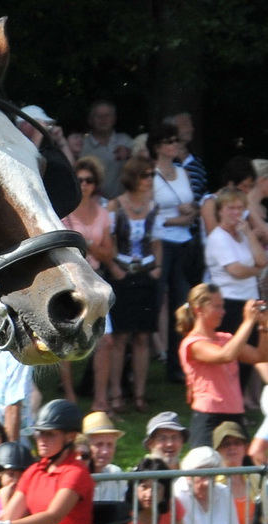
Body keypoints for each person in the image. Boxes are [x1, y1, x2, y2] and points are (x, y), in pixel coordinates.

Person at [203, 189, 268, 412]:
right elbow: (236, 271)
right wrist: (257, 270)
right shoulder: (217, 238)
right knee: (233, 360)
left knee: (249, 359)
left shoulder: (242, 235)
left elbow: (262, 259)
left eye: (240, 208)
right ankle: (229, 407)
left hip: (250, 301)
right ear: (220, 211)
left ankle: (239, 405)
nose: (236, 213)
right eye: (231, 208)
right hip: (228, 303)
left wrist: (249, 233)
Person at [59, 157, 116, 409]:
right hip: (70, 281)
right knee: (67, 339)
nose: (84, 184)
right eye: (80, 179)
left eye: (89, 180)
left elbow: (108, 253)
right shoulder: (63, 211)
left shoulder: (103, 213)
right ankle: (69, 395)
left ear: (95, 184)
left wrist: (88, 244)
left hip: (95, 279)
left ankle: (100, 399)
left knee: (106, 340)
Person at [105, 157, 161, 413]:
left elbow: (157, 240)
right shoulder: (115, 205)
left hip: (147, 273)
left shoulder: (154, 206)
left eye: (151, 175)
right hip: (122, 272)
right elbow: (110, 238)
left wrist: (158, 266)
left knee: (142, 337)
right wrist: (115, 267)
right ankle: (116, 392)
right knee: (120, 336)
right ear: (134, 178)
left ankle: (139, 393)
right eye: (145, 175)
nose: (149, 179)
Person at [177, 283, 262, 452]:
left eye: (222, 306)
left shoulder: (225, 338)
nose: (223, 311)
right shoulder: (192, 343)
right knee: (208, 470)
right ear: (198, 309)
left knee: (243, 472)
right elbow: (224, 356)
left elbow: (260, 357)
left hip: (235, 413)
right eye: (217, 307)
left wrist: (264, 326)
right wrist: (248, 321)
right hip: (209, 416)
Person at [150, 123, 199, 384]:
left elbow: (192, 204)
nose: (175, 145)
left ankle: (176, 366)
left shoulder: (182, 172)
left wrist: (189, 214)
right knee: (155, 301)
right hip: (161, 242)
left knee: (181, 304)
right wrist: (174, 221)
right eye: (170, 141)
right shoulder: (150, 174)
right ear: (158, 147)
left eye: (176, 141)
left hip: (184, 244)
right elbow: (148, 212)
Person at [71, 99, 131, 199]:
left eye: (107, 116)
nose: (103, 119)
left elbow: (143, 165)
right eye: (98, 116)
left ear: (114, 119)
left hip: (121, 205)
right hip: (90, 203)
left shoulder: (126, 141)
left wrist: (129, 154)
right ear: (90, 120)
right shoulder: (81, 144)